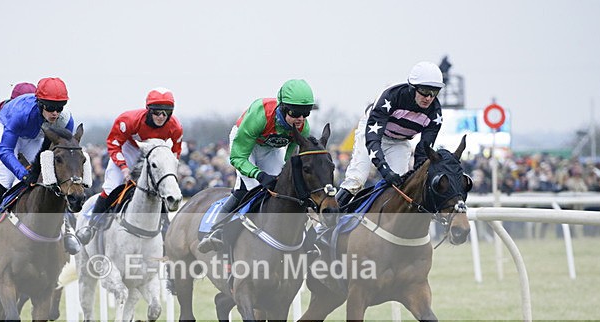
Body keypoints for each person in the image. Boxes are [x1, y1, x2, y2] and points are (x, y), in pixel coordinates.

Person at [196, 79, 314, 253]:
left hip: (270, 148)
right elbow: (237, 157)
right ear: (283, 107)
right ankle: (215, 231)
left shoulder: (303, 127)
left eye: (306, 113)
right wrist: (258, 175)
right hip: (245, 146)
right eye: (296, 113)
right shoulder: (259, 116)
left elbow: (290, 159)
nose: (301, 119)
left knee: (280, 189)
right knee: (250, 188)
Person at [0, 77, 78, 250]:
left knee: (51, 180)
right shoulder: (21, 114)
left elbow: (63, 151)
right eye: (50, 107)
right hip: (12, 133)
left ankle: (68, 230)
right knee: (5, 180)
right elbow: (5, 150)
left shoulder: (65, 120)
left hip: (36, 136)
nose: (55, 113)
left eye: (59, 107)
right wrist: (23, 174)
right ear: (40, 103)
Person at [75, 87, 183, 245]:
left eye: (166, 113)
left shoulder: (176, 127)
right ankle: (91, 226)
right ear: (148, 110)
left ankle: (166, 229)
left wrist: (169, 172)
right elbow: (113, 143)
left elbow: (175, 152)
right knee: (112, 185)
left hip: (157, 151)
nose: (161, 117)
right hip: (130, 148)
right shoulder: (128, 120)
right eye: (156, 112)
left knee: (161, 189)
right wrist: (124, 168)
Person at [337, 61, 445, 207]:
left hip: (400, 142)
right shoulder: (391, 96)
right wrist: (384, 168)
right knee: (356, 180)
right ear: (413, 87)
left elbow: (422, 153)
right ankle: (324, 223)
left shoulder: (435, 113)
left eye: (435, 92)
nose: (429, 98)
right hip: (373, 134)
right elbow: (373, 138)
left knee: (401, 187)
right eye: (425, 91)